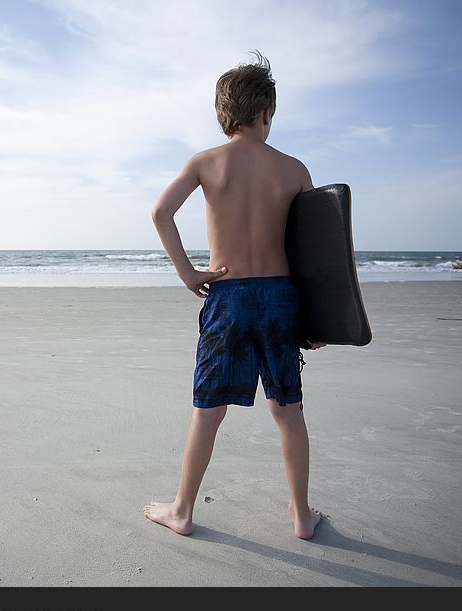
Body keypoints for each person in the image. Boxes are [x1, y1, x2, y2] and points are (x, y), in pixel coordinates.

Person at [142, 52, 328, 540]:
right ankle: (301, 516)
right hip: (281, 298)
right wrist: (318, 319)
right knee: (288, 411)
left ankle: (183, 510)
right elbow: (315, 253)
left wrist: (187, 273)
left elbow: (161, 212)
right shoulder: (294, 170)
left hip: (228, 295)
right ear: (267, 113)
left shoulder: (206, 163)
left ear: (224, 113)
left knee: (208, 410)